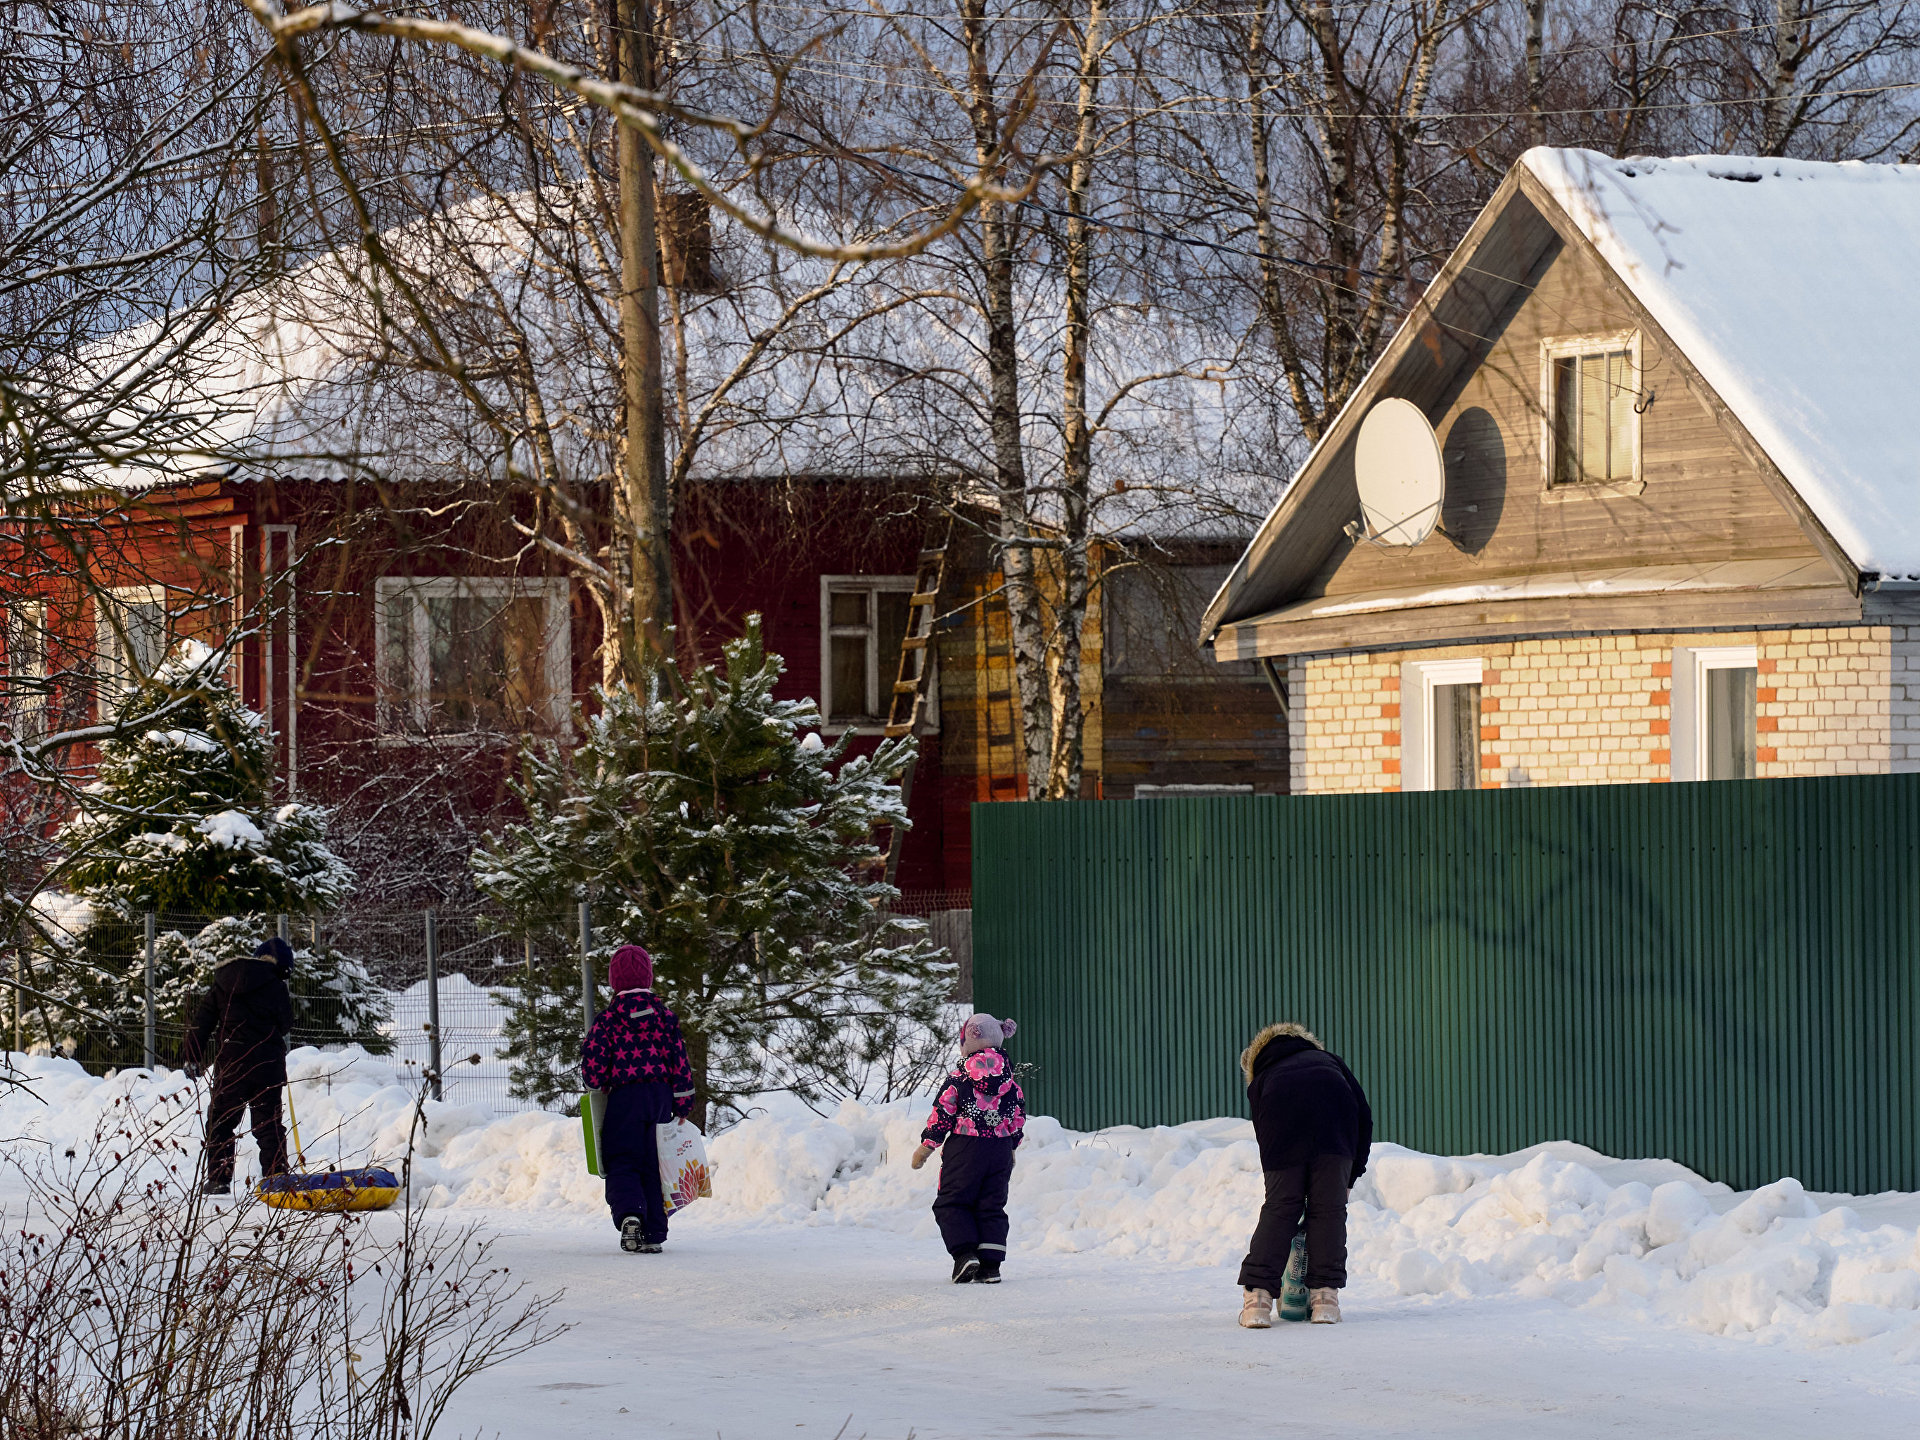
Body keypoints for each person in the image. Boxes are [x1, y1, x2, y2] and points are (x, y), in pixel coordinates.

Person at [1236, 1022, 1372, 1328]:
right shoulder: (1330, 1062)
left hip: (1283, 1136)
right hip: (1335, 1138)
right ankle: (1325, 1299)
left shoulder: (1262, 1076)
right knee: (1328, 1211)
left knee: (1281, 1208)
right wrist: (1349, 1175)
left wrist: (1279, 1183)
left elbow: (1265, 1134)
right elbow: (1363, 1116)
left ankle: (1257, 1301)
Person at [579, 944, 697, 1254]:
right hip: (659, 1097)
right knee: (654, 1164)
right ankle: (655, 1233)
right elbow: (680, 1062)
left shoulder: (608, 1021)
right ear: (648, 977)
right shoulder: (664, 1017)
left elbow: (593, 1069)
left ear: (613, 982)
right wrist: (683, 1101)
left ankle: (630, 1214)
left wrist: (600, 1082)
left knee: (623, 1159)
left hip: (624, 1098)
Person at [910, 1013, 1025, 1284]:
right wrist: (1011, 1145)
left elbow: (943, 1113)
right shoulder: (1010, 1082)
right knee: (991, 1205)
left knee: (952, 1201)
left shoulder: (960, 1078)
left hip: (966, 1147)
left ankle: (965, 1254)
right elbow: (1018, 1115)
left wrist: (927, 1146)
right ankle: (990, 1266)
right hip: (998, 1149)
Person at [185, 936, 296, 1196]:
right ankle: (276, 1176)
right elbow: (285, 1023)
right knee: (268, 1123)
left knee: (221, 1122)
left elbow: (202, 1021)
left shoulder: (225, 982)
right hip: (266, 1064)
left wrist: (192, 1055)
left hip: (231, 1064)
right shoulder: (276, 986)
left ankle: (218, 1179)